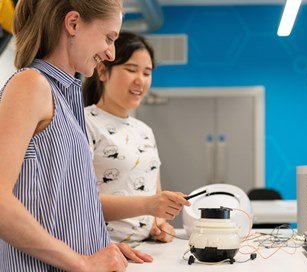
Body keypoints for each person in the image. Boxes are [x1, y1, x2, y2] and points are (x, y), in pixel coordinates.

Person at [0, 1, 189, 271]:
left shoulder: (66, 97)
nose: (111, 53)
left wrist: (98, 245)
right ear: (74, 23)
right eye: (109, 37)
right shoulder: (31, 84)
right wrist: (83, 262)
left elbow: (61, 207)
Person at [83, 32, 185, 244]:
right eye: (131, 70)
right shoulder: (84, 122)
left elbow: (153, 194)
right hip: (102, 249)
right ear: (102, 71)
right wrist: (149, 205)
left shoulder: (144, 131)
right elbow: (79, 202)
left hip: (147, 250)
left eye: (147, 73)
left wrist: (159, 224)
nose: (140, 80)